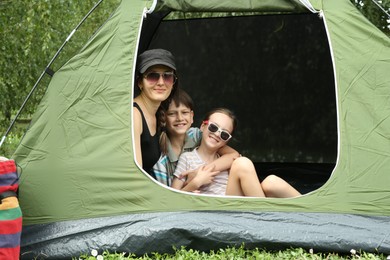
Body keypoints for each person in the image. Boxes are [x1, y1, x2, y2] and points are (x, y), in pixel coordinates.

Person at [171, 108, 301, 198]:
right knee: (242, 163)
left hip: (235, 202)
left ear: (226, 141)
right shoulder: (187, 158)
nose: (217, 134)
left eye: (224, 134)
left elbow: (235, 157)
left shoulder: (226, 160)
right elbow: (172, 197)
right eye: (213, 127)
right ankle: (264, 216)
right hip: (218, 210)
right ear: (202, 126)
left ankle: (313, 207)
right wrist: (196, 182)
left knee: (271, 182)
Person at [152, 89, 239, 186]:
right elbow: (168, 196)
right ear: (163, 118)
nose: (180, 118)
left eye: (184, 112)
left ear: (191, 116)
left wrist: (199, 172)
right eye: (172, 113)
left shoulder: (198, 135)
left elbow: (234, 155)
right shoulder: (160, 161)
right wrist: (194, 183)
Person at [133, 49, 178, 178]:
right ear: (140, 82)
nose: (161, 82)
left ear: (173, 82)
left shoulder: (158, 114)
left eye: (167, 76)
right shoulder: (134, 115)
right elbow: (135, 175)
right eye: (152, 75)